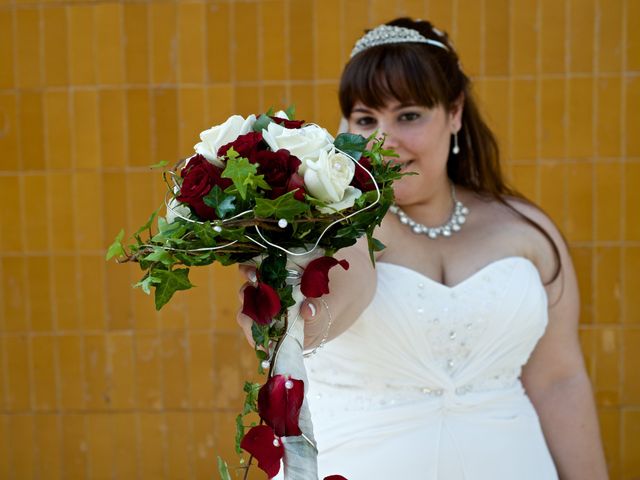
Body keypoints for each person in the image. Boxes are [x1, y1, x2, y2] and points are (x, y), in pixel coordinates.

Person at [238, 17, 608, 479]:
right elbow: (322, 323)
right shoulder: (341, 232)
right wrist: (281, 301)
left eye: (408, 115)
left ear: (454, 113)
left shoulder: (527, 231)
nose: (386, 139)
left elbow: (559, 380)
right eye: (366, 119)